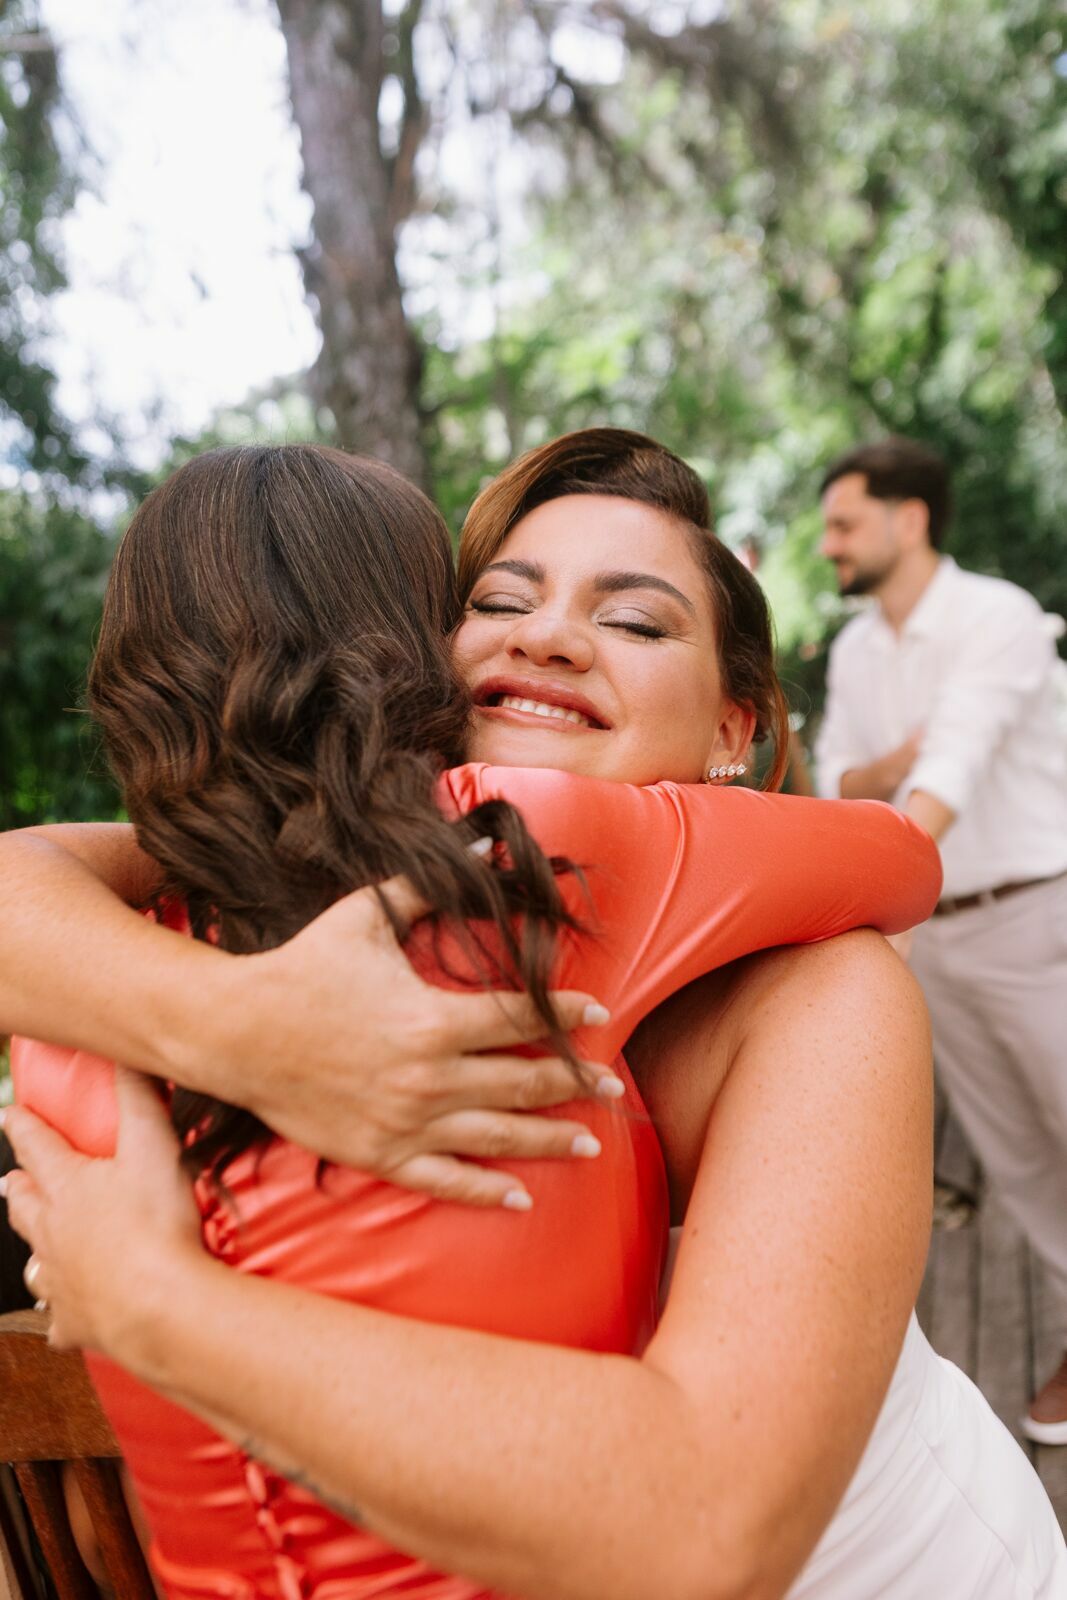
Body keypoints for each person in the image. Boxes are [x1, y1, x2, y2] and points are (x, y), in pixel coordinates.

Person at [4, 430, 1066, 1598]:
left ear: (731, 726)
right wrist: (246, 1020)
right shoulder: (348, 920)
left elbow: (713, 1525)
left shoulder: (822, 997)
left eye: (636, 621)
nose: (547, 636)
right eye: (498, 602)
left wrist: (158, 1304)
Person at [815, 435, 1067, 1444]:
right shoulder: (851, 650)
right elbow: (836, 779)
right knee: (1016, 1159)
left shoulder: (994, 618)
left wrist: (855, 894)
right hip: (937, 937)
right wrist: (890, 764)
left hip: (1033, 917)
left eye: (843, 522)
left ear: (905, 519)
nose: (827, 542)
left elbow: (948, 774)